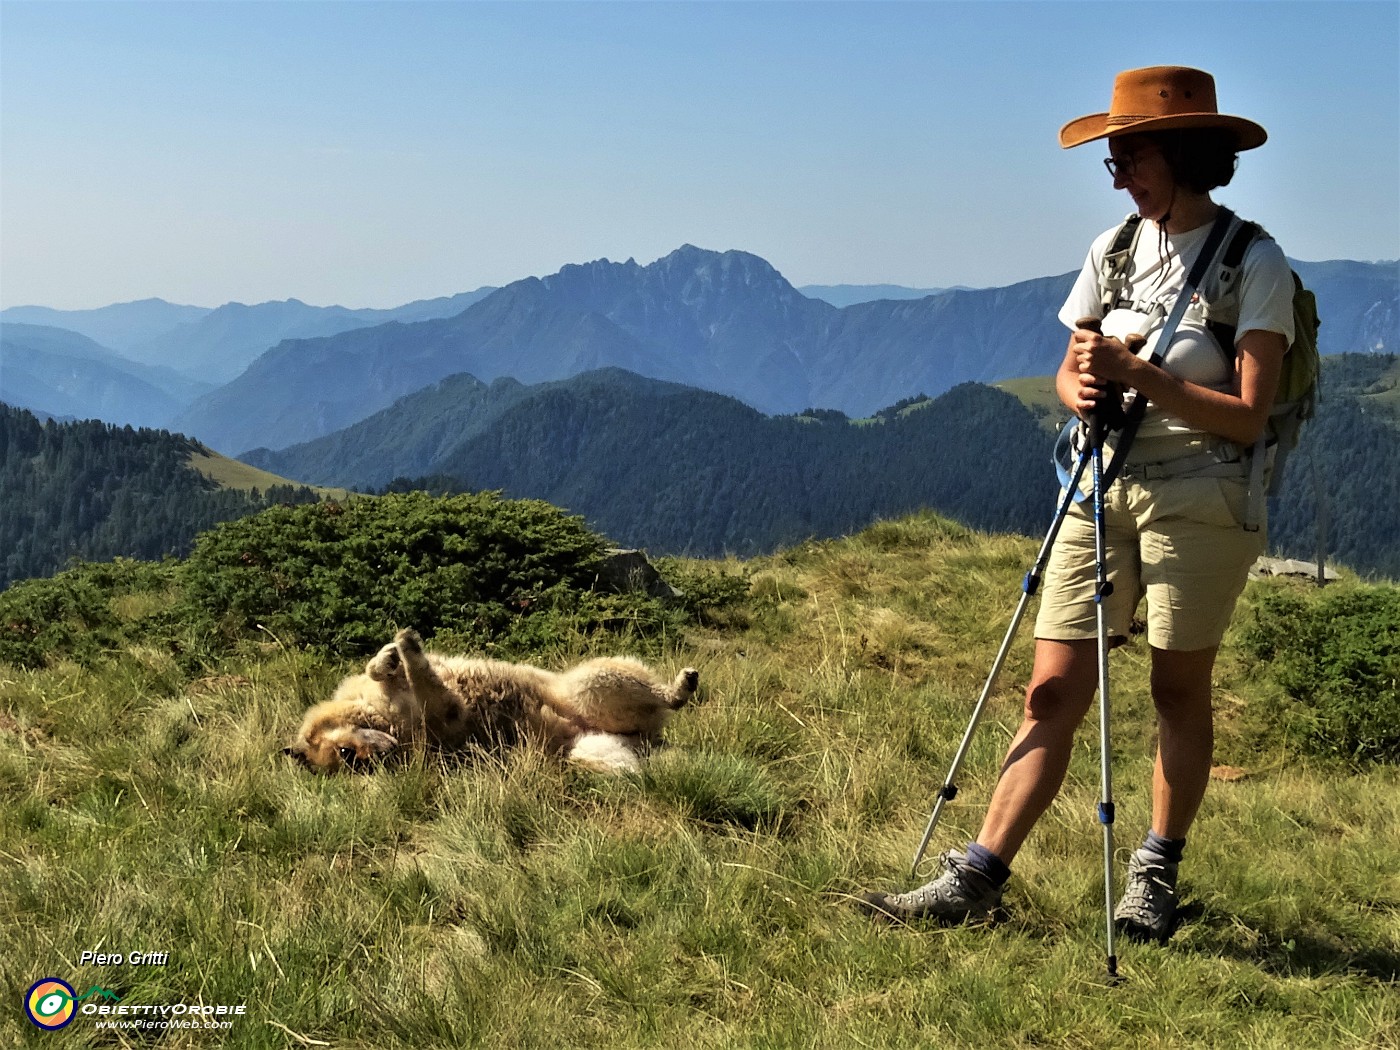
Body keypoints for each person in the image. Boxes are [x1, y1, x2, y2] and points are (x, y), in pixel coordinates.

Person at [859, 66, 1296, 942]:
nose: (1119, 173)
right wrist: (1084, 391)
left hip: (1201, 493)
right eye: (1113, 160)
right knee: (1049, 690)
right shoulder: (1115, 250)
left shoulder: (1255, 262)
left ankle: (1153, 876)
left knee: (1177, 689)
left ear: (1179, 152)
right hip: (1102, 483)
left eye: (1130, 154)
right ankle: (978, 874)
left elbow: (1250, 418)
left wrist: (1144, 378)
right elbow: (1071, 365)